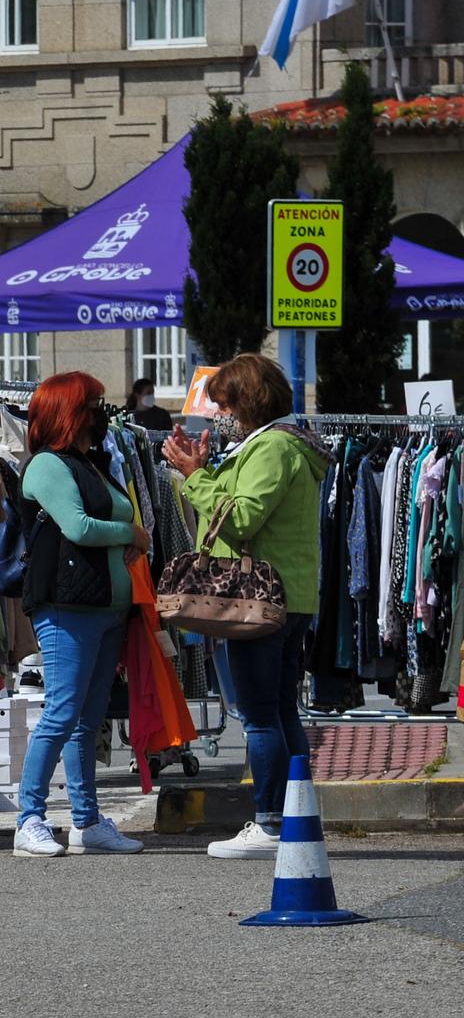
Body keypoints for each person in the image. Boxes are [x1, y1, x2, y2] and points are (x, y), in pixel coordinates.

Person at [163, 353, 329, 861]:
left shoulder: (272, 448)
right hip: (287, 594)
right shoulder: (283, 444)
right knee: (279, 710)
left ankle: (269, 821)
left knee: (258, 715)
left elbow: (242, 520)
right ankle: (295, 816)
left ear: (247, 402)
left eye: (226, 404)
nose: (220, 414)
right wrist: (211, 468)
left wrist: (194, 476)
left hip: (260, 600)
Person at [10, 372, 146, 859]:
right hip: (69, 607)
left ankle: (86, 821)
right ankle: (29, 818)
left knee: (87, 720)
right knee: (62, 714)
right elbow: (78, 527)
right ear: (71, 411)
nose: (102, 412)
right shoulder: (47, 465)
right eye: (94, 403)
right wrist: (131, 534)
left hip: (105, 608)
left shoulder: (91, 462)